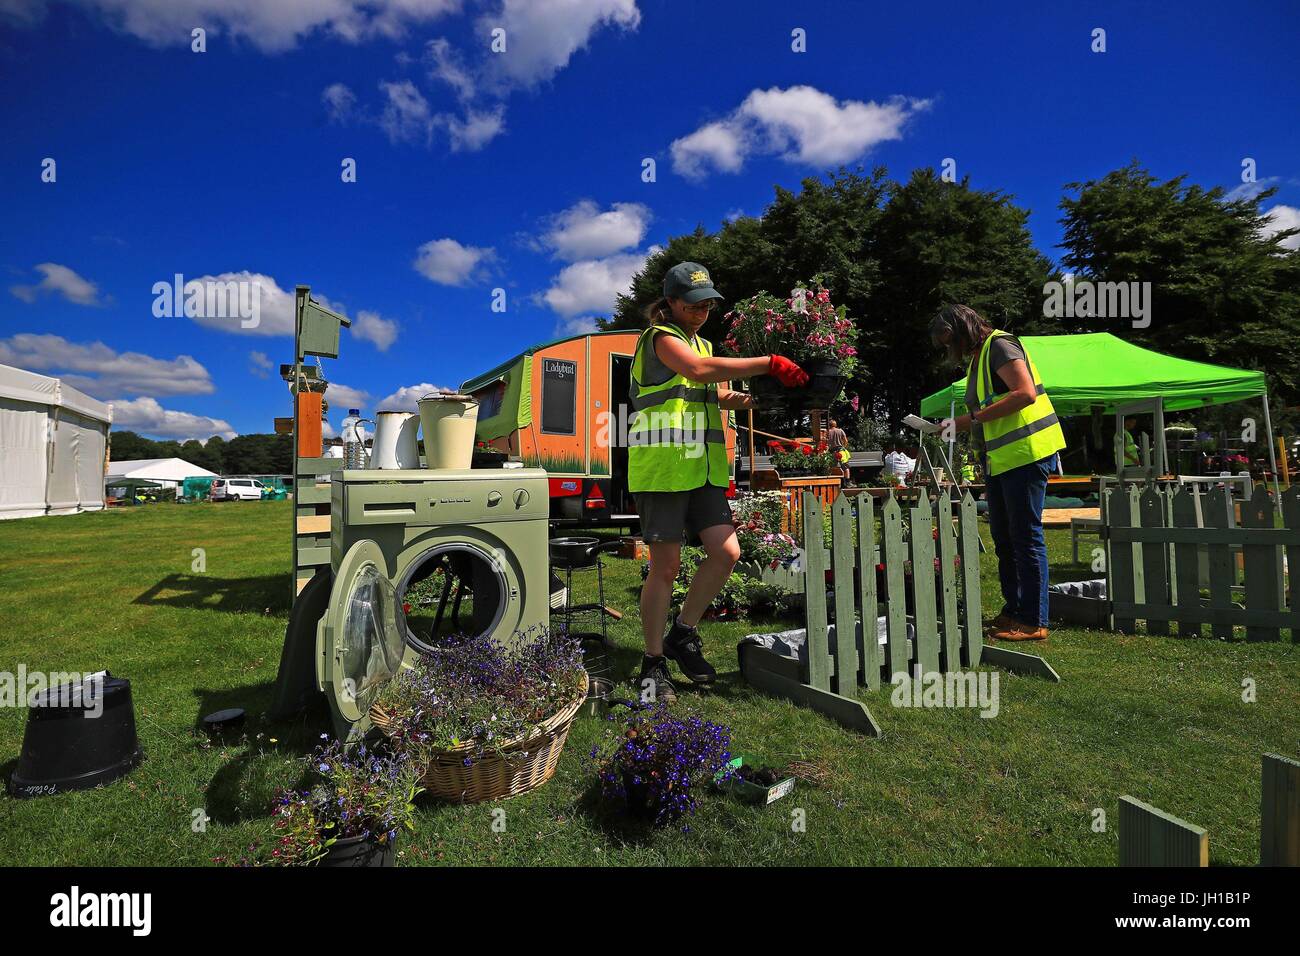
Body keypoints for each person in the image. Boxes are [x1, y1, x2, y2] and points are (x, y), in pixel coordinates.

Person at [629, 262, 809, 702]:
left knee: (727, 553)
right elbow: (696, 371)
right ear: (671, 302)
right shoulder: (660, 339)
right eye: (693, 303)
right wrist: (769, 363)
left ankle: (682, 634)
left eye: (708, 302)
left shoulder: (703, 343)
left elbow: (712, 390)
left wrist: (750, 398)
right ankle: (652, 664)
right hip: (663, 470)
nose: (702, 309)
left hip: (703, 472)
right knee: (666, 568)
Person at [930, 304, 1066, 642]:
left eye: (950, 341)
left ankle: (1034, 620)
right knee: (1006, 540)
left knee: (1024, 538)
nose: (950, 350)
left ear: (962, 329)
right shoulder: (981, 356)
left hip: (1026, 455)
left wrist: (968, 421)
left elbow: (1025, 393)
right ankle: (1015, 612)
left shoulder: (1001, 345)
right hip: (1003, 460)